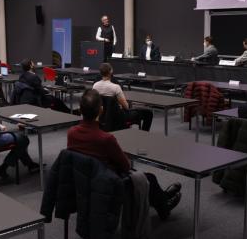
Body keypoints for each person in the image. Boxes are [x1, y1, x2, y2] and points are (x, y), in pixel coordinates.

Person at [67, 89, 181, 220]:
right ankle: (164, 207)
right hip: (107, 183)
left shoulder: (71, 132)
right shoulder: (105, 138)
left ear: (80, 110)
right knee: (149, 178)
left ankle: (164, 196)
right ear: (101, 110)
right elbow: (126, 166)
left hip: (84, 180)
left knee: (146, 179)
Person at [93, 63, 153, 131]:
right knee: (148, 113)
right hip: (118, 116)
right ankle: (144, 134)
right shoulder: (116, 87)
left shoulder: (95, 86)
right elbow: (126, 106)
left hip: (102, 116)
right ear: (111, 71)